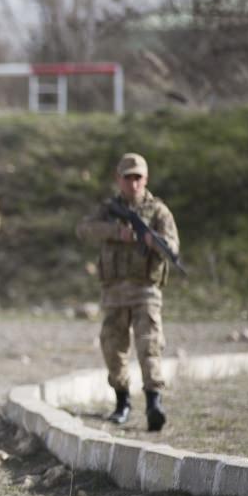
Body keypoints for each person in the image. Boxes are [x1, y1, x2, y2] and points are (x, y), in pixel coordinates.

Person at [76, 153, 180, 431]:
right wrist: (115, 232)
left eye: (138, 178)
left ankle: (154, 403)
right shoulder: (108, 209)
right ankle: (122, 402)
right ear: (118, 179)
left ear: (145, 179)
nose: (133, 183)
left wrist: (154, 241)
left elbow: (173, 247)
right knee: (113, 347)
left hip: (146, 290)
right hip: (114, 291)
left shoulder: (158, 211)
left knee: (149, 345)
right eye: (127, 178)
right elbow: (84, 230)